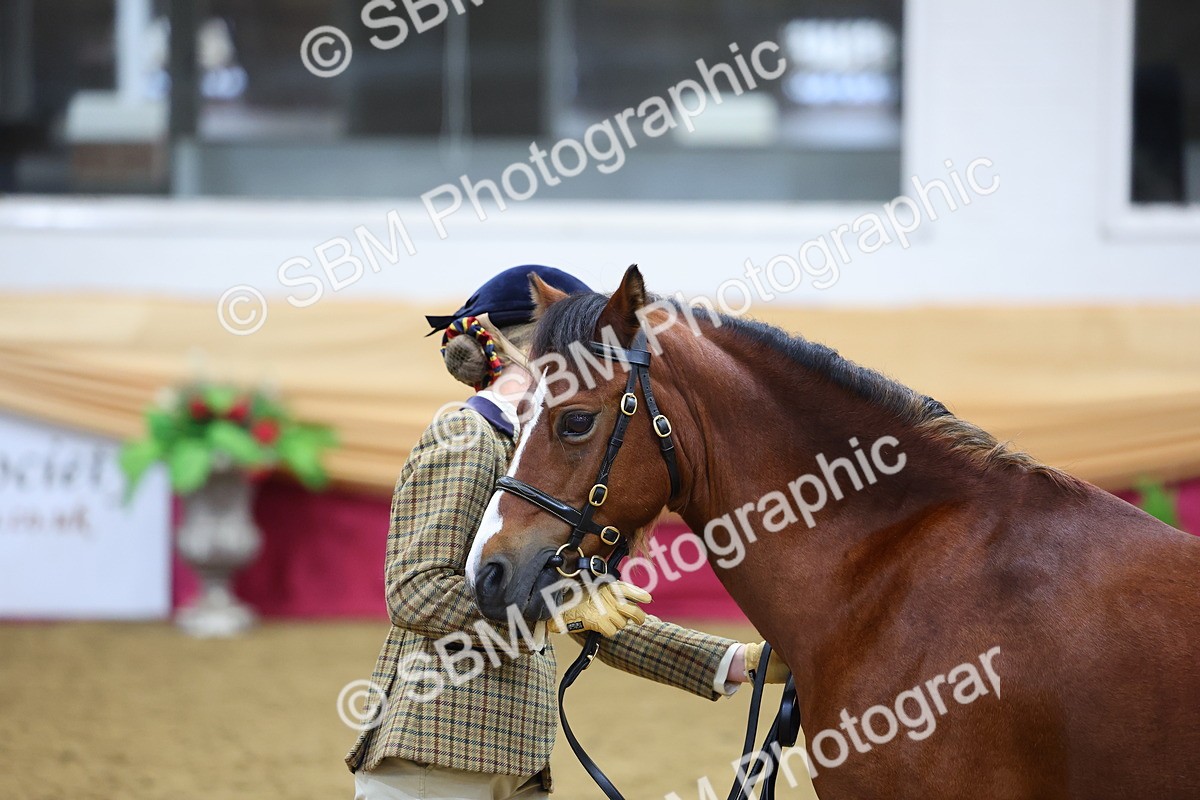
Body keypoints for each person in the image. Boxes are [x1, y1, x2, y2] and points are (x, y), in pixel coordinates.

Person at [346, 265, 786, 800]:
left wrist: (738, 662)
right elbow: (414, 591)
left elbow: (592, 614)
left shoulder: (543, 460)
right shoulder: (467, 435)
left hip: (514, 761)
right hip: (433, 754)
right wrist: (561, 609)